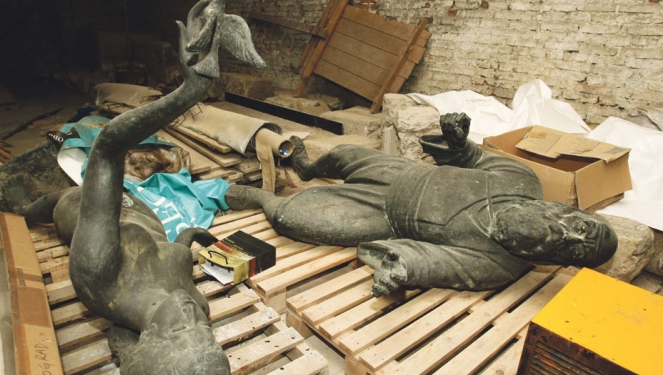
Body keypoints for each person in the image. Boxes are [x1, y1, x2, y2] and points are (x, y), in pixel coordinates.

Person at [8, 0, 266, 375]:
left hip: (88, 211)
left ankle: (22, 209)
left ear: (151, 341)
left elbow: (108, 147)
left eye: (179, 330)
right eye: (203, 330)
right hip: (137, 203)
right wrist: (207, 240)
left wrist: (188, 93)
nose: (190, 316)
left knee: (55, 201)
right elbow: (183, 243)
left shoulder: (101, 276)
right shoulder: (190, 302)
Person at [225, 113, 618, 297]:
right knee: (342, 153)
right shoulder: (523, 181)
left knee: (294, 219)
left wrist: (402, 270)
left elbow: (434, 262)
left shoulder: (497, 265)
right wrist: (460, 141)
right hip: (402, 172)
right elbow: (473, 159)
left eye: (573, 250)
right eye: (580, 228)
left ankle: (260, 198)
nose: (565, 235)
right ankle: (306, 167)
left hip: (384, 216)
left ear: (562, 262)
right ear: (573, 213)